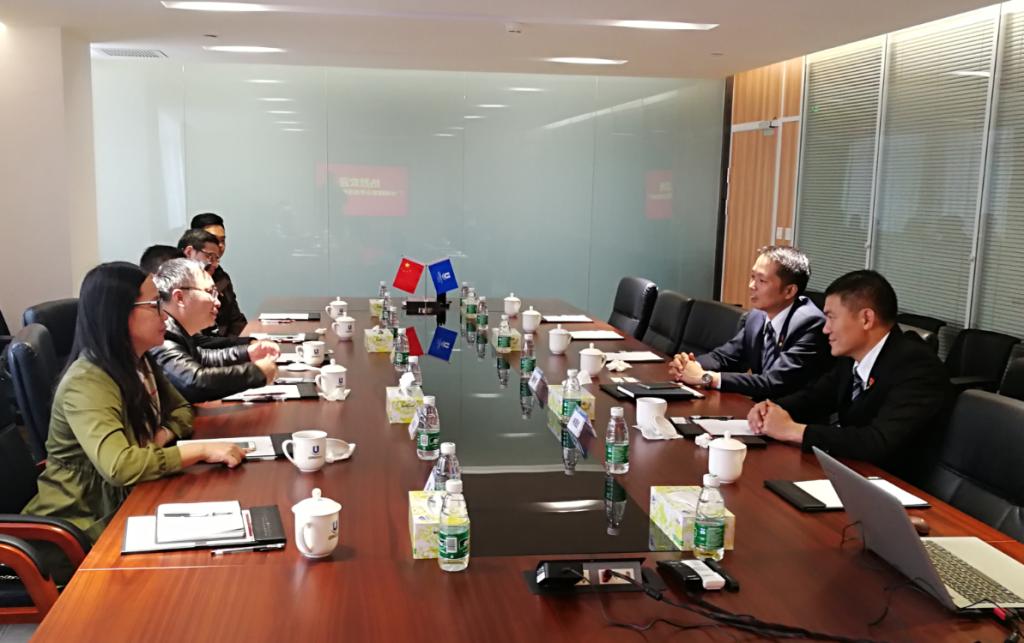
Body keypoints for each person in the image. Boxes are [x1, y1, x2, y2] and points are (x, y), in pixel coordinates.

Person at [21, 262, 247, 544]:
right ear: (119, 315)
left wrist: (160, 436)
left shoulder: (139, 360)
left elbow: (181, 410)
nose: (165, 315)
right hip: (82, 525)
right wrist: (200, 450)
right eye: (154, 305)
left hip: (128, 501)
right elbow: (121, 467)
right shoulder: (87, 382)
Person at [747, 270, 953, 478]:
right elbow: (815, 397)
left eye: (831, 318)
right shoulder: (853, 356)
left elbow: (878, 441)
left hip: (895, 485)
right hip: (853, 471)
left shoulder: (917, 366)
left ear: (866, 319)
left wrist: (793, 430)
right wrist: (771, 409)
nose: (825, 329)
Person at [669, 246, 830, 399]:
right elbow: (724, 358)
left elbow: (774, 382)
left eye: (762, 280)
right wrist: (688, 365)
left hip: (792, 414)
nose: (751, 286)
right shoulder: (757, 316)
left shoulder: (810, 324)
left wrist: (706, 378)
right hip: (759, 409)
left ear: (789, 291)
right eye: (753, 277)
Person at [149, 258, 279, 403]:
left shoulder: (175, 329)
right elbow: (193, 382)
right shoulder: (161, 334)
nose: (217, 302)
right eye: (210, 292)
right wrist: (256, 373)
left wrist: (247, 353)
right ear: (179, 298)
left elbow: (202, 358)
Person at [189, 213, 248, 337]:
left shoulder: (221, 276)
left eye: (222, 240)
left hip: (226, 345)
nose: (220, 246)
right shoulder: (185, 280)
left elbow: (236, 320)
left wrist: (246, 342)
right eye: (214, 240)